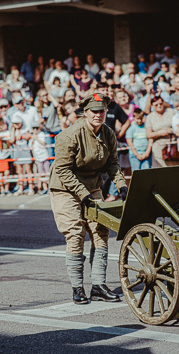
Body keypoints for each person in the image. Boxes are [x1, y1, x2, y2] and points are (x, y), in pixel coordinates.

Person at [49, 93, 126, 304]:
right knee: (75, 233)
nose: (99, 115)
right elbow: (63, 170)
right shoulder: (69, 135)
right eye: (94, 111)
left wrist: (122, 186)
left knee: (101, 231)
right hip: (65, 188)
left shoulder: (108, 133)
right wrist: (82, 194)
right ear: (86, 113)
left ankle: (99, 286)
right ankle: (77, 288)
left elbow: (112, 163)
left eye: (102, 111)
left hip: (92, 185)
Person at [145, 96, 176, 168]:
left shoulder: (170, 112)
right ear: (152, 106)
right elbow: (148, 134)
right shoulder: (150, 117)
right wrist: (160, 133)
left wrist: (171, 130)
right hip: (158, 148)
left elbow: (178, 125)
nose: (159, 106)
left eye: (160, 104)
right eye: (156, 105)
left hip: (172, 146)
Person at [9, 113, 34, 195]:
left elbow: (28, 136)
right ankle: (21, 188)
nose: (17, 124)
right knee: (19, 171)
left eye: (18, 123)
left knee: (28, 170)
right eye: (15, 123)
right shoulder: (13, 130)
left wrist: (22, 135)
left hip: (25, 150)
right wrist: (13, 130)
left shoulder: (26, 128)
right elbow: (12, 140)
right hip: (17, 151)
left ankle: (31, 187)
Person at [29, 123, 50, 194]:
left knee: (47, 172)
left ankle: (50, 187)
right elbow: (30, 146)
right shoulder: (32, 136)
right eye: (33, 128)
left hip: (44, 156)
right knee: (41, 173)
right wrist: (33, 138)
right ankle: (45, 188)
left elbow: (43, 143)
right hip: (37, 158)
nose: (35, 130)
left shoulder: (42, 134)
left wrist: (36, 138)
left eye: (36, 128)